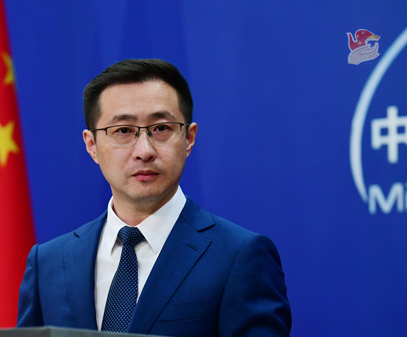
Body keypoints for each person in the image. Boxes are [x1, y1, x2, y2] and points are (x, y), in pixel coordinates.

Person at [17, 59, 291, 337]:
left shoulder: (239, 255)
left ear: (189, 139)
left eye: (161, 129)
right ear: (92, 145)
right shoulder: (49, 262)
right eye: (123, 131)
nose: (144, 150)